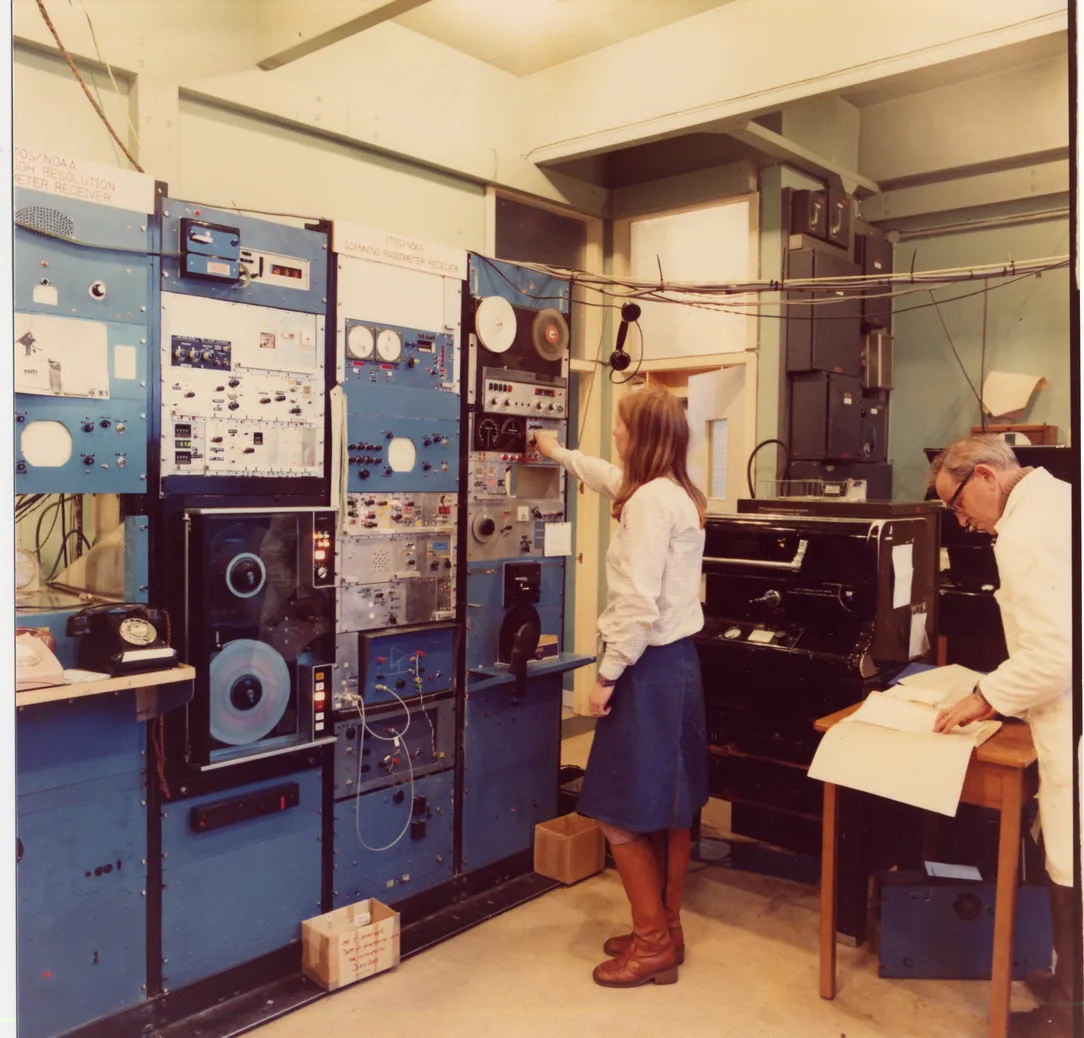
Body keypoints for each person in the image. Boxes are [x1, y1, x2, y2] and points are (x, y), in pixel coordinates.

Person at [533, 385, 709, 989]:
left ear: (645, 436)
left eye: (620, 425)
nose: (615, 433)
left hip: (646, 669)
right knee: (672, 807)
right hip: (678, 666)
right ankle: (666, 928)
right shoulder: (671, 493)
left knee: (619, 813)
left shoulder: (649, 506)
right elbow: (611, 477)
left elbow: (636, 601)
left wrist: (606, 676)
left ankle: (652, 944)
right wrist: (557, 452)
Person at [929, 436, 1074, 1038]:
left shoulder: (1023, 533)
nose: (962, 521)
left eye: (959, 505)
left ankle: (1066, 1016)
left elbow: (1055, 655)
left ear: (986, 476)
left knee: (1073, 862)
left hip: (1076, 718)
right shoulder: (1058, 499)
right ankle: (1068, 986)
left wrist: (982, 698)